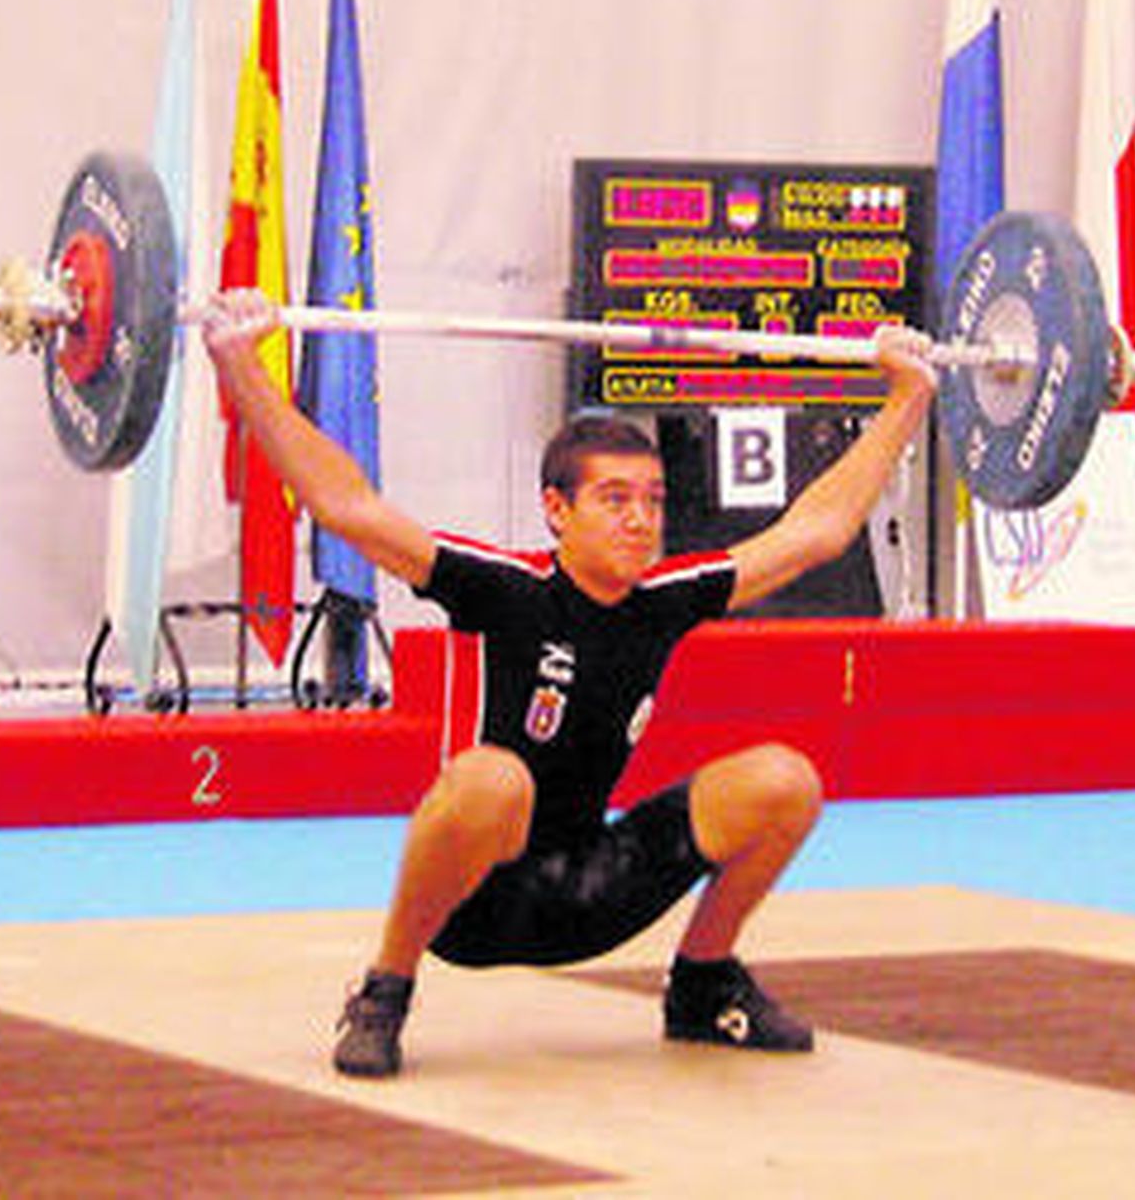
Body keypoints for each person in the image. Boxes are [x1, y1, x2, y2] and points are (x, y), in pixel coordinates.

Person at [203, 290, 938, 1078]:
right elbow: (343, 503)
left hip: (592, 888)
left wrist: (907, 397)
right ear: (556, 509)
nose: (640, 520)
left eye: (652, 501)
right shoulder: (503, 585)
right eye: (614, 500)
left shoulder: (668, 596)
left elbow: (815, 533)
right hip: (473, 903)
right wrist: (243, 366)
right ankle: (385, 988)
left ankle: (700, 983)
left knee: (785, 780)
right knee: (494, 778)